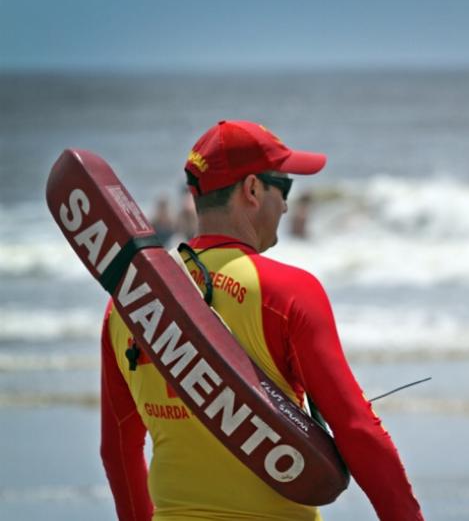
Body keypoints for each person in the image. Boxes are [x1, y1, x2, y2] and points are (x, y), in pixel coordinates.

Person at [99, 120, 424, 521]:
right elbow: (358, 430)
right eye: (283, 188)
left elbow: (118, 447)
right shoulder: (288, 292)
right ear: (252, 190)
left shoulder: (126, 307)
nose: (287, 205)